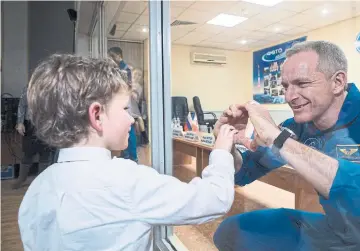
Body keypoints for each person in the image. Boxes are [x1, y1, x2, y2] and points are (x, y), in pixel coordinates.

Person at [18, 54, 237, 250]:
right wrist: (221, 150)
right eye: (124, 109)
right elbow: (214, 199)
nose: (132, 118)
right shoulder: (126, 182)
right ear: (97, 115)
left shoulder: (37, 189)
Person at [213, 41, 360, 251]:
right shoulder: (297, 129)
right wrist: (228, 144)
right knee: (232, 232)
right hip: (343, 231)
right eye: (286, 86)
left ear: (337, 82)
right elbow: (244, 171)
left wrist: (279, 140)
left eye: (302, 83)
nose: (289, 97)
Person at [12, 86, 51, 189]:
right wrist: (20, 122)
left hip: (47, 125)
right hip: (30, 125)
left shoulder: (52, 88)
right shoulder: (28, 89)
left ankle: (41, 181)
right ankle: (21, 178)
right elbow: (22, 106)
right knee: (27, 153)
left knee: (45, 155)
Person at [108, 46, 138, 162]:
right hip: (121, 102)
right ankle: (126, 155)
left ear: (119, 56)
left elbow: (126, 87)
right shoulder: (116, 68)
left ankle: (132, 157)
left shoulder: (124, 69)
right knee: (124, 128)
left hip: (125, 102)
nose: (110, 58)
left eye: (112, 56)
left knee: (129, 129)